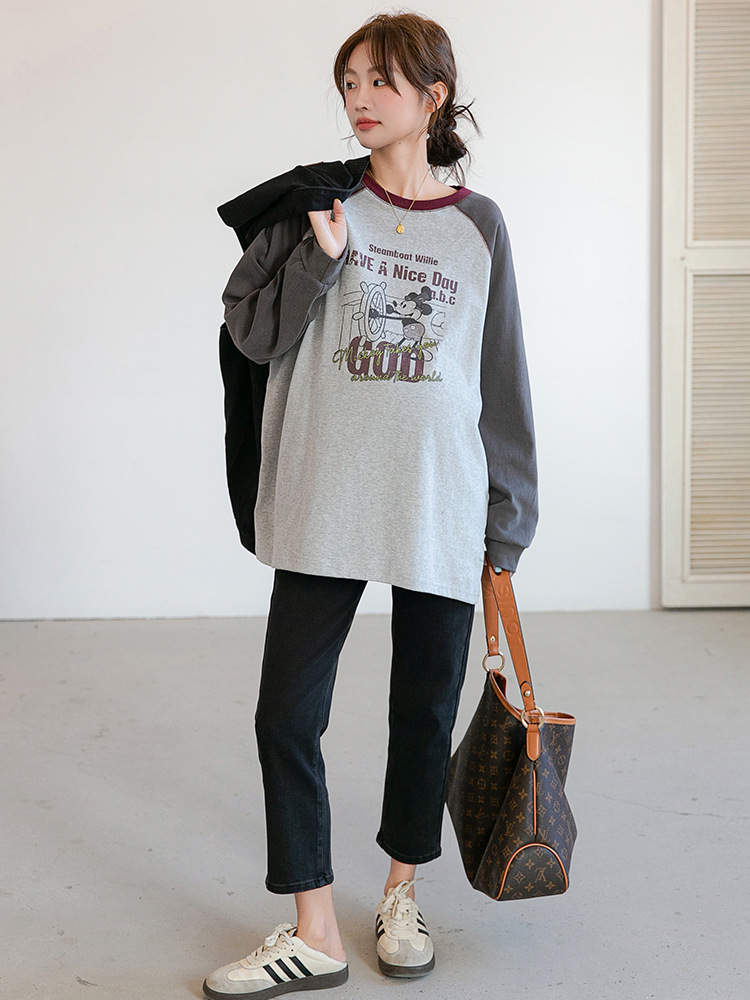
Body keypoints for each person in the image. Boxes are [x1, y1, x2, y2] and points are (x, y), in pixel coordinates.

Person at [203, 11, 538, 999]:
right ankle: (314, 926)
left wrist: (508, 521)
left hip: (439, 501)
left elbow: (501, 378)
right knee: (285, 714)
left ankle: (401, 893)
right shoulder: (312, 205)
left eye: (381, 81)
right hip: (325, 495)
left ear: (433, 97)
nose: (358, 99)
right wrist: (320, 256)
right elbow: (251, 334)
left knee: (422, 713)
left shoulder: (481, 226)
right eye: (349, 81)